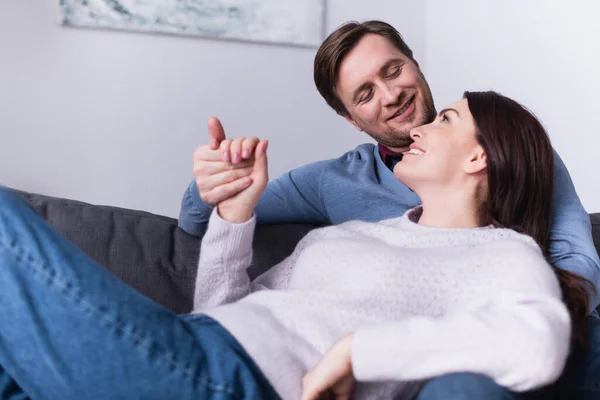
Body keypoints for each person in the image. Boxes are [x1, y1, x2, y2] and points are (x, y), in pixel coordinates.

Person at [0, 91, 583, 400]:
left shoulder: (502, 254)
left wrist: (359, 351)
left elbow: (536, 345)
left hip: (239, 380)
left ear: (479, 156)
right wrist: (235, 215)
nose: (420, 127)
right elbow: (221, 315)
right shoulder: (352, 234)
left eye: (446, 120)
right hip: (195, 352)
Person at [179, 20, 600, 399]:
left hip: (503, 333)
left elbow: (576, 264)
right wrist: (218, 178)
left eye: (393, 70)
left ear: (414, 63)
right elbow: (205, 218)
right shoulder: (334, 184)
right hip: (370, 367)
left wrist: (507, 312)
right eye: (364, 94)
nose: (391, 94)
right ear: (351, 120)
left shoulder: (507, 149)